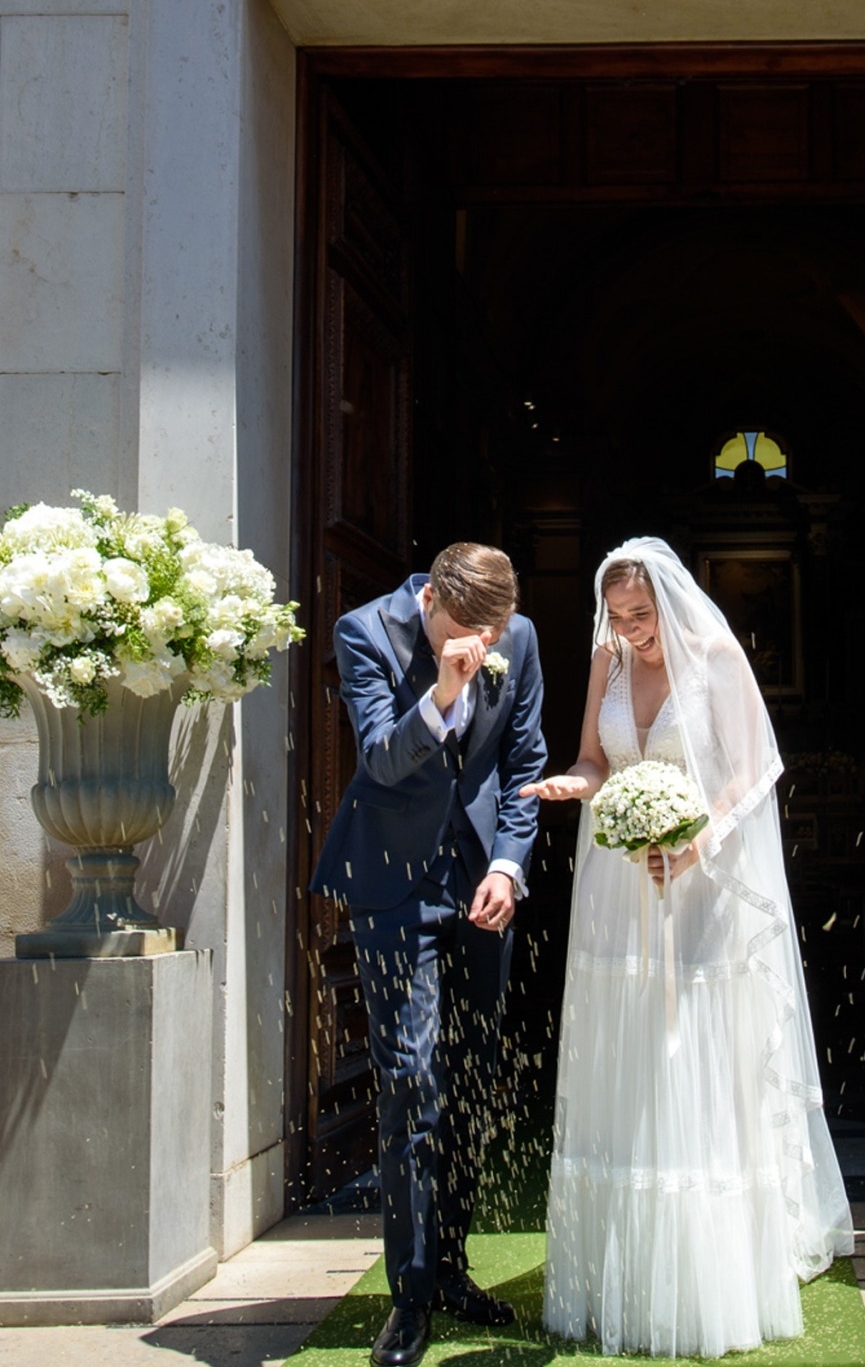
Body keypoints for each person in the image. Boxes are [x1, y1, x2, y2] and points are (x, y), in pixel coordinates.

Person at [526, 536, 853, 1358]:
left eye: (640, 615)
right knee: (627, 1053)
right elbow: (596, 758)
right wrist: (576, 784)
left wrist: (694, 841)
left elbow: (753, 768)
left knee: (692, 1051)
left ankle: (709, 1269)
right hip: (616, 884)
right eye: (617, 615)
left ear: (667, 602)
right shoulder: (606, 659)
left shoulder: (714, 657)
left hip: (699, 881)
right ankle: (625, 1269)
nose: (630, 629)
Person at [311, 542, 547, 1367]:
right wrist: (445, 689)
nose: (487, 643)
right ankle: (408, 1298)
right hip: (392, 888)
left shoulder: (517, 639)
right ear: (431, 604)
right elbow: (378, 756)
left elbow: (523, 763)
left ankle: (449, 1267)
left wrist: (510, 866)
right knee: (411, 1080)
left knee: (470, 1076)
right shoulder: (364, 631)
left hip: (481, 888)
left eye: (498, 629)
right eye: (469, 630)